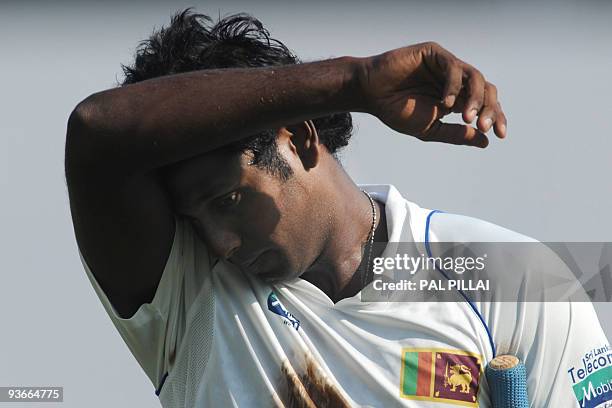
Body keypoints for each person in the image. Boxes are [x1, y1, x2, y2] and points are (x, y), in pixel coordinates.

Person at [65, 9, 609, 408]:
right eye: (195, 219)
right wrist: (354, 82)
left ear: (301, 139)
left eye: (228, 202)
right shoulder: (189, 294)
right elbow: (97, 133)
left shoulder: (515, 276)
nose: (219, 241)